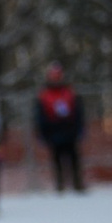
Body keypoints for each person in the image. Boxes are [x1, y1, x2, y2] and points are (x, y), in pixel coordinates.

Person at [33, 64, 86, 192]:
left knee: (73, 158)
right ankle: (60, 184)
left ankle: (77, 184)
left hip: (70, 130)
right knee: (56, 159)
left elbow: (78, 111)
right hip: (53, 130)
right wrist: (42, 132)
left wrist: (79, 128)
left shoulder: (70, 91)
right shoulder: (44, 94)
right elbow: (40, 115)